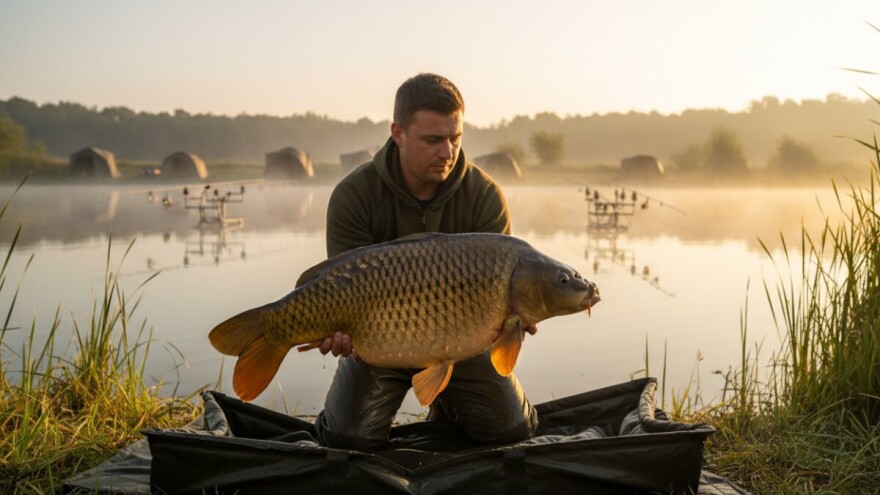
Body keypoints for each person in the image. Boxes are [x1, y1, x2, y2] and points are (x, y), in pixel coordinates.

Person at [312, 73, 538, 451]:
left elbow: (504, 308)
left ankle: (448, 407)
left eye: (456, 138)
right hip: (379, 345)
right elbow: (341, 293)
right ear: (398, 133)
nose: (448, 152)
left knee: (512, 431)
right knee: (345, 440)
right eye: (433, 140)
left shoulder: (484, 196)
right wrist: (338, 334)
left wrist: (515, 318)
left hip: (463, 346)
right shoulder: (354, 196)